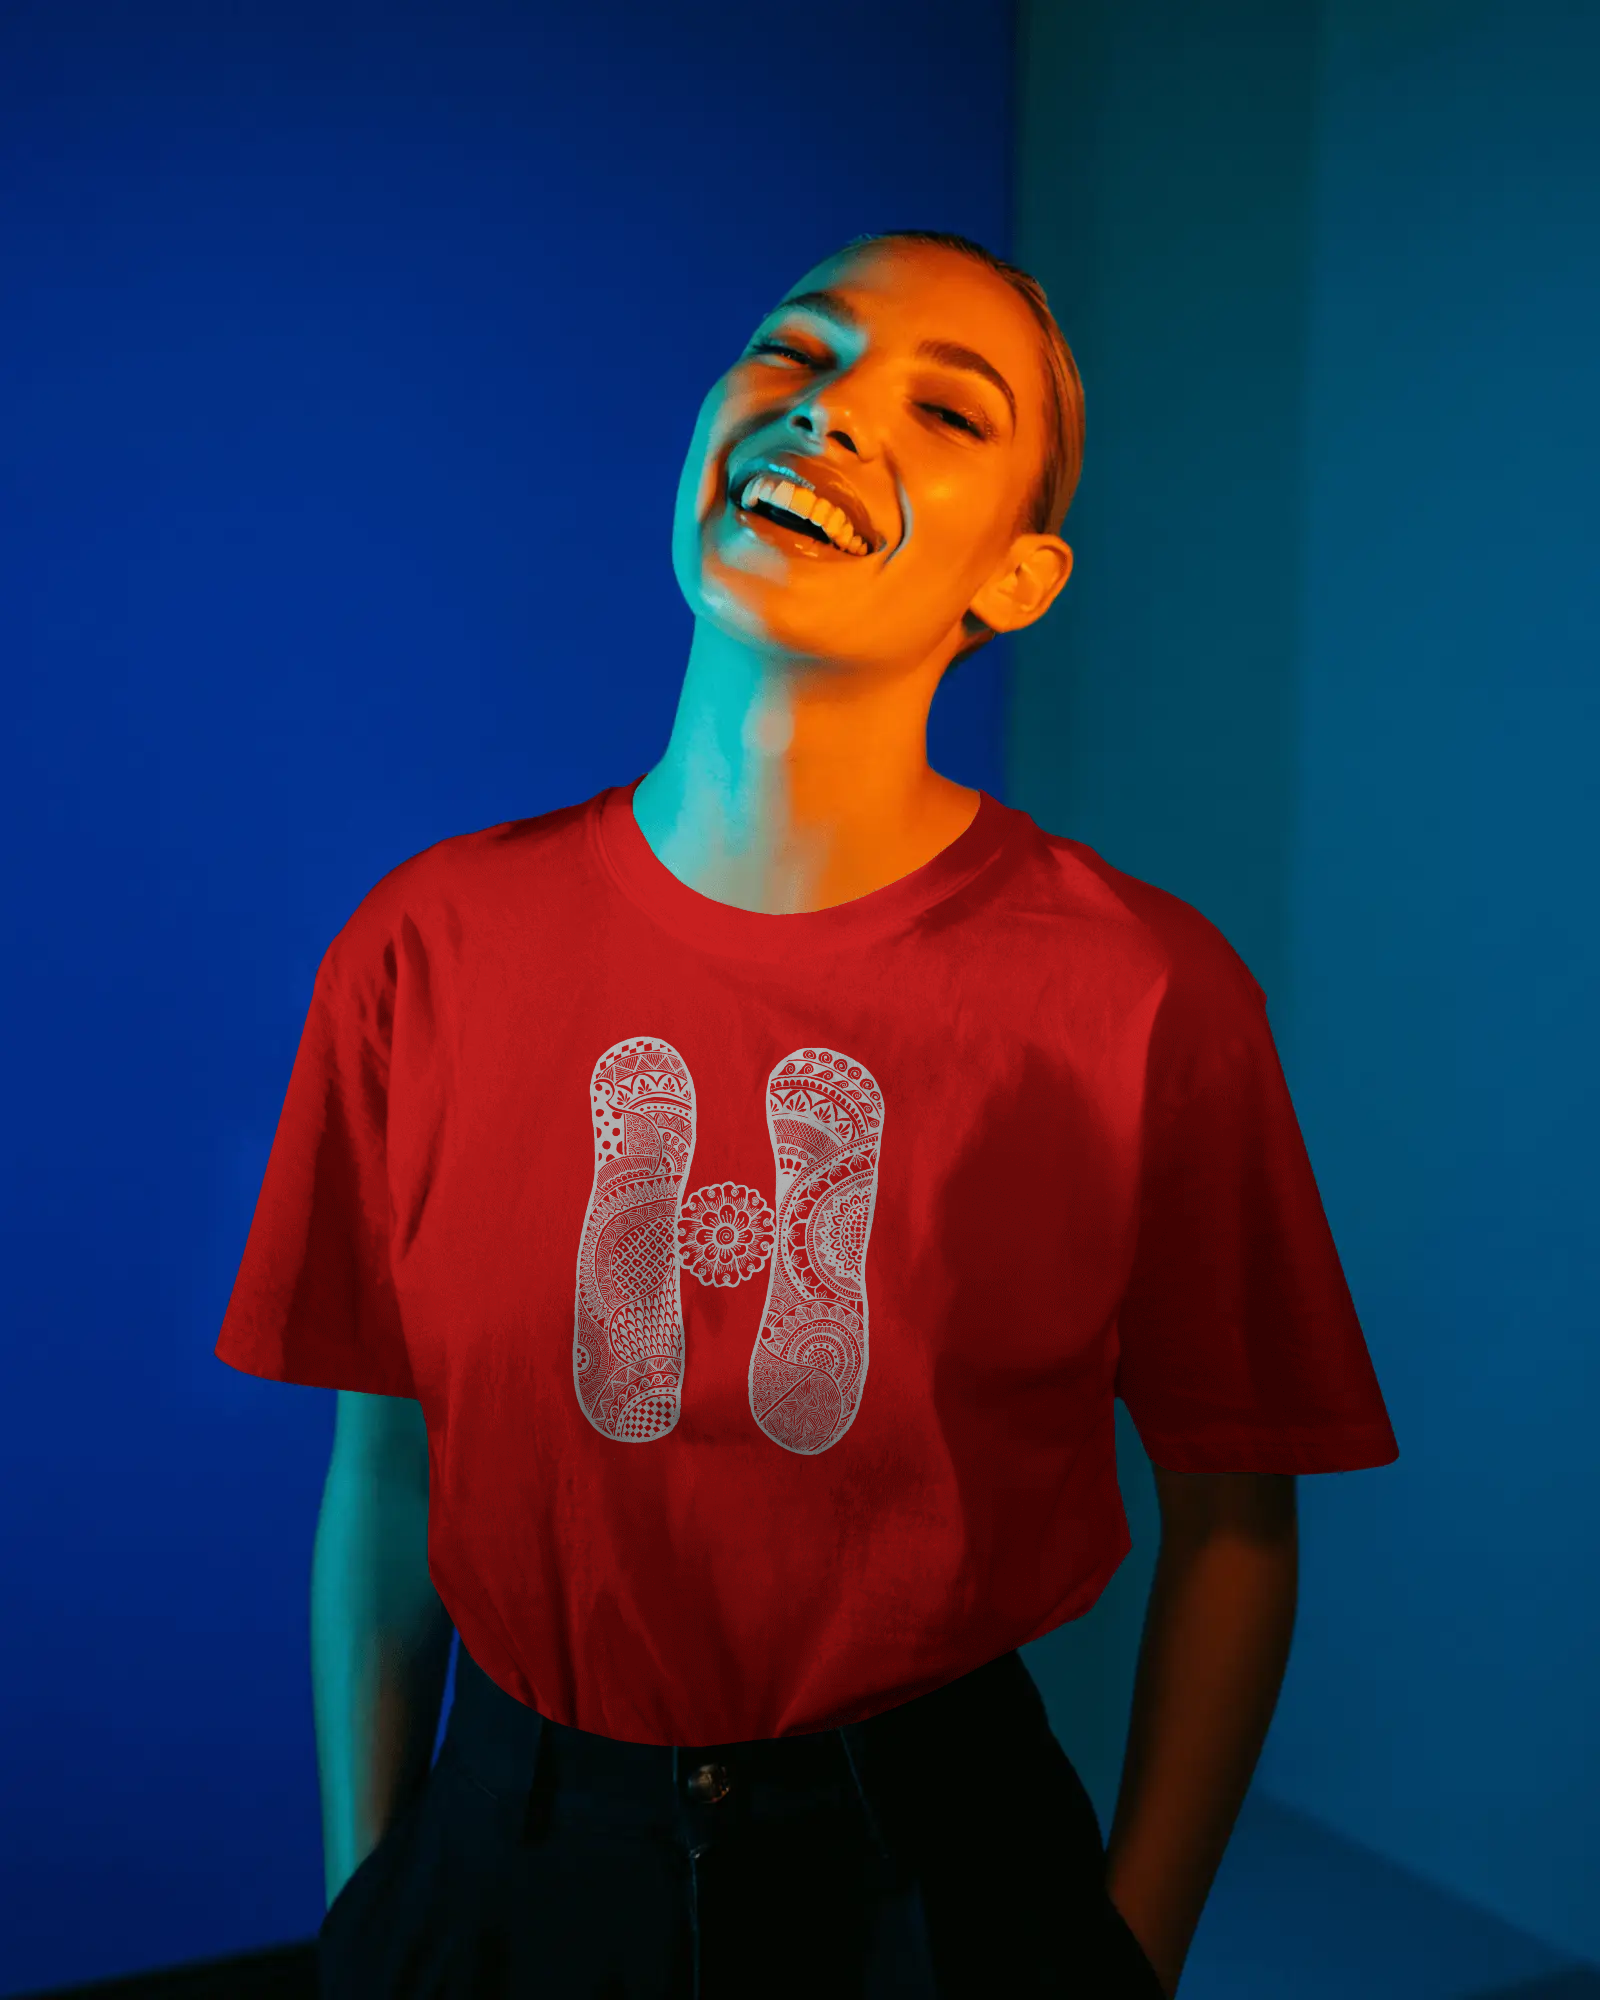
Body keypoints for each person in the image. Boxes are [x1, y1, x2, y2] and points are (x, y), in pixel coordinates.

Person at [216, 229, 1399, 1999]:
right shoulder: (425, 945)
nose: (833, 411)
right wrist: (368, 1909)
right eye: (797, 351)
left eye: (943, 408)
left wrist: (1120, 1956)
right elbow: (385, 1471)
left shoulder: (1145, 994)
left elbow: (1238, 1522)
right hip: (505, 1839)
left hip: (934, 1865)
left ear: (1018, 577)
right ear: (707, 426)